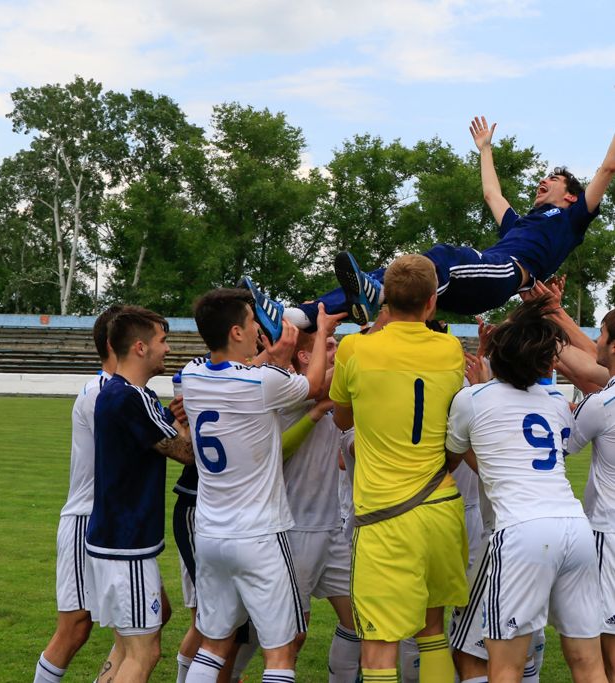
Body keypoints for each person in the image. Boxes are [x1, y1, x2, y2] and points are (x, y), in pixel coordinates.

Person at [242, 118, 615, 340]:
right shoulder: (521, 223)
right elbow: (491, 193)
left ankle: (376, 295)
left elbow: (607, 169)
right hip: (476, 282)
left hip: (503, 274)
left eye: (553, 179)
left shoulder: (572, 219)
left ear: (570, 197)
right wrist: (485, 148)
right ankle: (296, 318)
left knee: (444, 256)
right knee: (394, 274)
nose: (543, 180)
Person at [181, 288, 343, 683]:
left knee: (214, 643)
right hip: (259, 535)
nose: (259, 330)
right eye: (253, 323)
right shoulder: (264, 383)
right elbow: (316, 385)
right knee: (282, 649)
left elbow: (249, 370)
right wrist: (319, 333)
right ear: (237, 332)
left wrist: (273, 357)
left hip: (211, 532)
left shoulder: (191, 374)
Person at [446, 296, 607, 683]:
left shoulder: (470, 399)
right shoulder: (554, 400)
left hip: (521, 534)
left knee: (504, 668)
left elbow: (452, 459)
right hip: (574, 528)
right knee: (588, 664)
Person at [330, 254, 469, 683]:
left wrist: (375, 321)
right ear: (432, 303)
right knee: (432, 633)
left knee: (378, 647)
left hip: (385, 517)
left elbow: (341, 419)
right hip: (440, 505)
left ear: (385, 301)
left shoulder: (355, 347)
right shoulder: (451, 350)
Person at [84, 306, 194, 683]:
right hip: (126, 545)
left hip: (112, 542)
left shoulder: (123, 395)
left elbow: (161, 435)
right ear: (140, 347)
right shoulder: (131, 397)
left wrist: (175, 421)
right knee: (145, 652)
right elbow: (187, 455)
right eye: (162, 341)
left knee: (124, 648)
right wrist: (186, 428)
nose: (168, 348)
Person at [33, 305, 121, 683]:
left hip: (113, 525)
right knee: (74, 629)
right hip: (86, 521)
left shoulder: (122, 392)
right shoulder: (100, 394)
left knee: (147, 620)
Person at [281, 332, 360, 682]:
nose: (336, 351)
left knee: (360, 620)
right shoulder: (296, 392)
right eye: (327, 346)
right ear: (302, 356)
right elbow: (322, 386)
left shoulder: (336, 397)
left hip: (332, 528)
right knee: (291, 636)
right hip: (296, 531)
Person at [567, 309, 615, 681]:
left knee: (606, 650)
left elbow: (564, 446)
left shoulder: (601, 405)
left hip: (608, 534)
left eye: (601, 335)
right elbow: (586, 369)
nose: (596, 342)